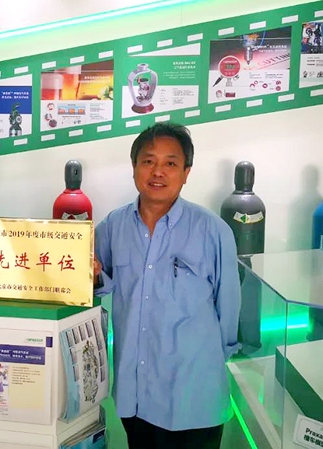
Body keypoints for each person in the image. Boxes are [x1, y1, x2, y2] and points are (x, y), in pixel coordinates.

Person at [94, 122, 241, 449]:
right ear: (134, 167)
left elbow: (229, 308)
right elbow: (94, 280)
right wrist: (90, 275)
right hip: (136, 395)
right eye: (148, 161)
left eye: (170, 163)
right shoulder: (114, 226)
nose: (158, 171)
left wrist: (214, 361)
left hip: (193, 396)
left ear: (186, 172)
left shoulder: (213, 231)